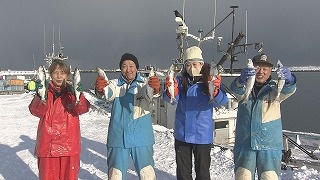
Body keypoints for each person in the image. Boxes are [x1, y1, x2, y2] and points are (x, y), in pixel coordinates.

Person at [163, 46, 229, 180]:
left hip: (202, 135)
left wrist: (215, 92)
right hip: (182, 134)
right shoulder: (181, 81)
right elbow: (170, 99)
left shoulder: (210, 80)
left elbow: (222, 100)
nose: (191, 67)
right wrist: (170, 92)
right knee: (183, 172)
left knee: (203, 171)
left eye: (194, 64)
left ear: (201, 64)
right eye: (188, 64)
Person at [230, 53, 297, 179]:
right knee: (243, 176)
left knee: (269, 177)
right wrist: (239, 80)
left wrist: (290, 79)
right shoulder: (244, 88)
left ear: (271, 70)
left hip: (270, 146)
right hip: (245, 144)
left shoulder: (275, 89)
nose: (261, 72)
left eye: (265, 69)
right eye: (257, 68)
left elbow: (288, 90)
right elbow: (235, 90)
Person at [94, 53, 160, 180]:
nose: (128, 69)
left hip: (142, 138)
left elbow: (150, 93)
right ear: (120, 68)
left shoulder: (144, 84)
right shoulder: (114, 84)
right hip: (118, 138)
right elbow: (108, 93)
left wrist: (155, 89)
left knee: (147, 174)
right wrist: (101, 89)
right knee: (115, 175)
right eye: (124, 66)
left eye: (131, 66)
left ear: (137, 68)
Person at [29, 59, 90, 179]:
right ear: (50, 74)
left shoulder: (72, 93)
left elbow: (83, 109)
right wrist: (40, 95)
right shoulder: (45, 92)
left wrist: (78, 95)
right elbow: (36, 111)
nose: (59, 76)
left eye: (62, 72)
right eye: (56, 72)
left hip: (69, 147)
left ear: (68, 75)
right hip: (47, 146)